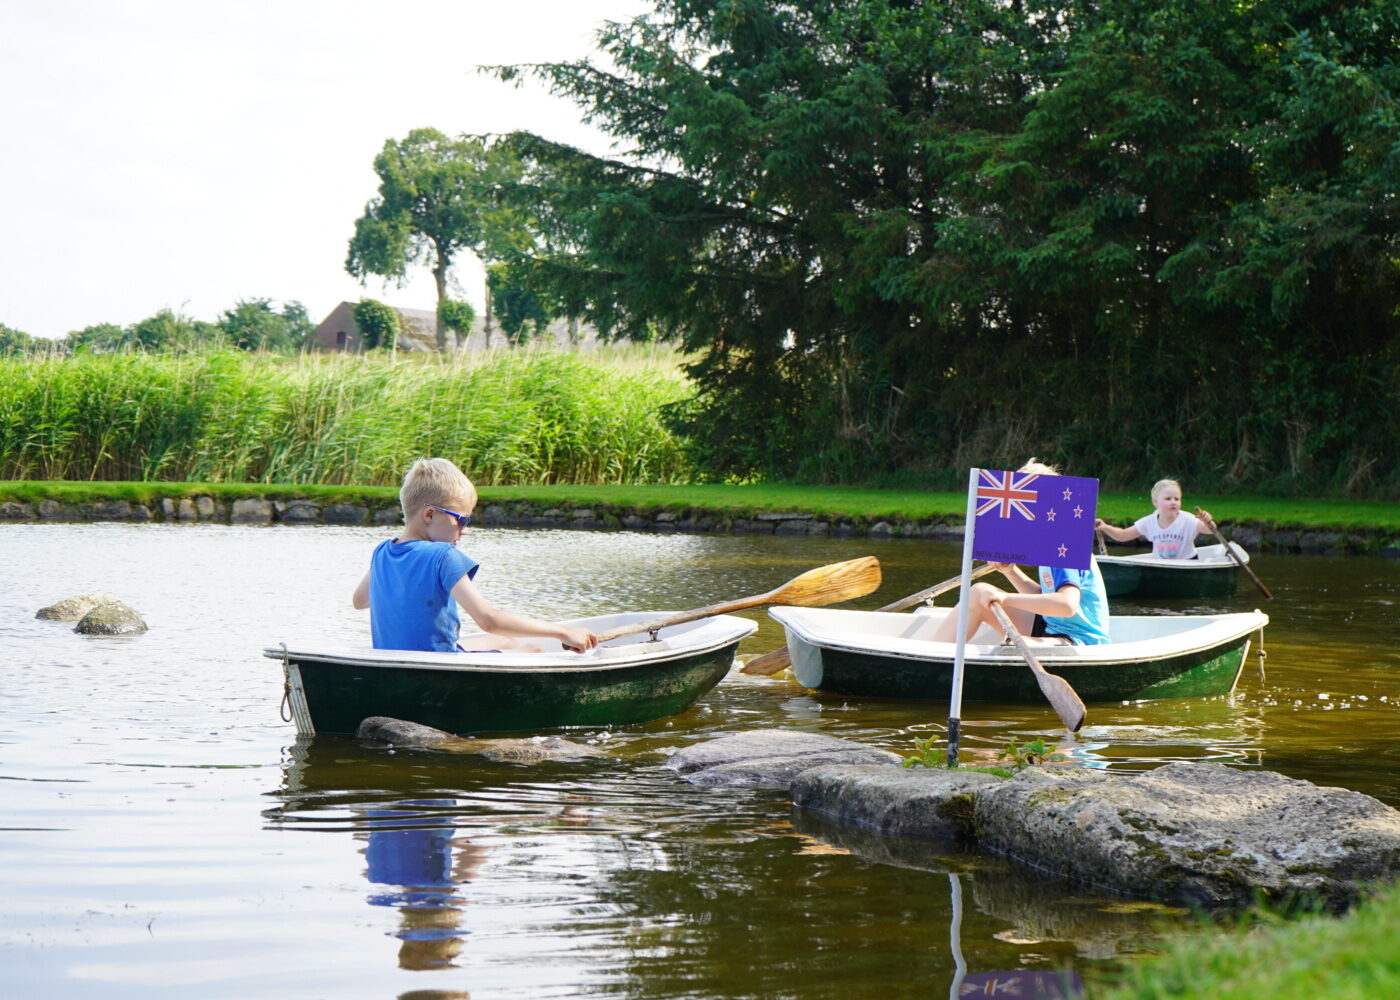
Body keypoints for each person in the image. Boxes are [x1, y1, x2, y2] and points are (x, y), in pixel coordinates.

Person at [352, 457, 597, 654]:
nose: (465, 529)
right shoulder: (443, 556)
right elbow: (489, 619)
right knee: (531, 648)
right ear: (429, 515)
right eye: (461, 519)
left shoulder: (383, 552)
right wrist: (562, 632)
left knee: (506, 641)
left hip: (398, 660)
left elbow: (359, 601)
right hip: (439, 666)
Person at [930, 460, 1111, 647]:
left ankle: (936, 663)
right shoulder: (1049, 545)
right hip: (1052, 627)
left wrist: (1007, 599)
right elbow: (1045, 597)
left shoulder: (1065, 546)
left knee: (1013, 643)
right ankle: (933, 655)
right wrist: (1010, 571)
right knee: (979, 592)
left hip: (1079, 640)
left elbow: (1066, 605)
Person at [1094, 478, 1212, 560]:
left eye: (1177, 499)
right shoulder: (1149, 522)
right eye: (1168, 499)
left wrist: (1207, 521)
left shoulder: (1188, 520)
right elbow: (1123, 535)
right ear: (1155, 502)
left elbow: (1209, 530)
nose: (1173, 502)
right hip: (1161, 564)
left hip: (1188, 563)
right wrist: (1105, 527)